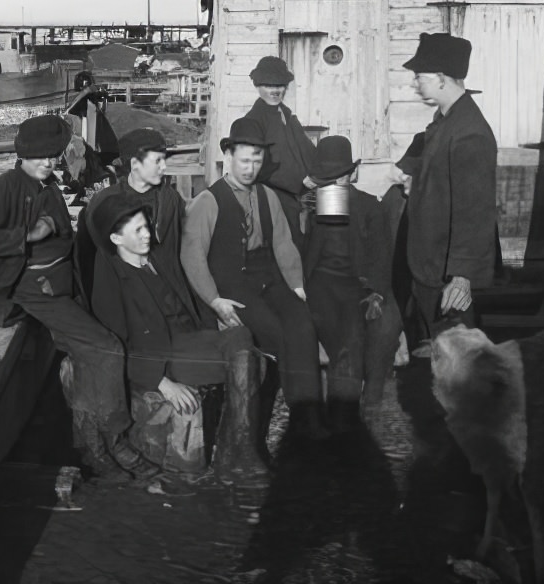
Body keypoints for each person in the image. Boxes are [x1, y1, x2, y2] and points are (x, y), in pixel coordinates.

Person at [0, 114, 157, 479]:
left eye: (53, 155)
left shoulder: (47, 184)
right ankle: (114, 440)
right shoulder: (4, 189)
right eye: (40, 157)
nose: (49, 162)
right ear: (21, 155)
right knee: (107, 347)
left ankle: (92, 446)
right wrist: (29, 234)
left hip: (59, 284)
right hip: (34, 291)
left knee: (91, 354)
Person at [89, 194, 268, 480]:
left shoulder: (158, 259)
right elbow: (115, 343)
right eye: (137, 230)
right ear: (116, 239)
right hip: (162, 358)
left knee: (242, 338)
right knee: (250, 362)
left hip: (190, 341)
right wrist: (162, 383)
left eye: (146, 226)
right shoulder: (113, 279)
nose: (147, 233)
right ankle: (237, 453)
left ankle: (234, 453)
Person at [180, 117, 325, 439]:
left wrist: (297, 287)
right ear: (228, 158)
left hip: (267, 278)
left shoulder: (268, 196)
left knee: (302, 323)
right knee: (276, 333)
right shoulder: (207, 201)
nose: (250, 168)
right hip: (231, 284)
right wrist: (214, 300)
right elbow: (192, 257)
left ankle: (308, 416)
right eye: (244, 160)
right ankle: (279, 416)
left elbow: (284, 244)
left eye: (256, 161)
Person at [301, 136, 402, 428]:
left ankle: (346, 418)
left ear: (353, 173)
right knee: (340, 338)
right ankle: (339, 418)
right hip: (319, 284)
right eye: (327, 180)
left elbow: (381, 257)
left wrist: (377, 293)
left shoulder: (370, 206)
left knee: (353, 338)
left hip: (355, 285)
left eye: (340, 177)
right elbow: (301, 252)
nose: (334, 186)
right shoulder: (312, 205)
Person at [402, 32, 498, 337]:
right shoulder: (445, 120)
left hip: (449, 273)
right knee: (445, 356)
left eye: (421, 76)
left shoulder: (469, 133)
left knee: (460, 359)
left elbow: (474, 212)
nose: (416, 83)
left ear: (442, 78)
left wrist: (462, 276)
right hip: (431, 263)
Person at [75, 127, 189, 309]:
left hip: (167, 294)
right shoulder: (104, 202)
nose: (164, 167)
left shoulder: (171, 199)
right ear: (135, 164)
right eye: (157, 161)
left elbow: (182, 247)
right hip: (121, 297)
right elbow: (88, 255)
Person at [244, 55, 319, 251]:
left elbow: (306, 150)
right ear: (257, 86)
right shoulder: (253, 121)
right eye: (269, 85)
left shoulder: (286, 115)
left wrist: (321, 171)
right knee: (281, 252)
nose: (275, 90)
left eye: (280, 85)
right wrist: (299, 183)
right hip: (269, 200)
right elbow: (254, 167)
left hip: (295, 198)